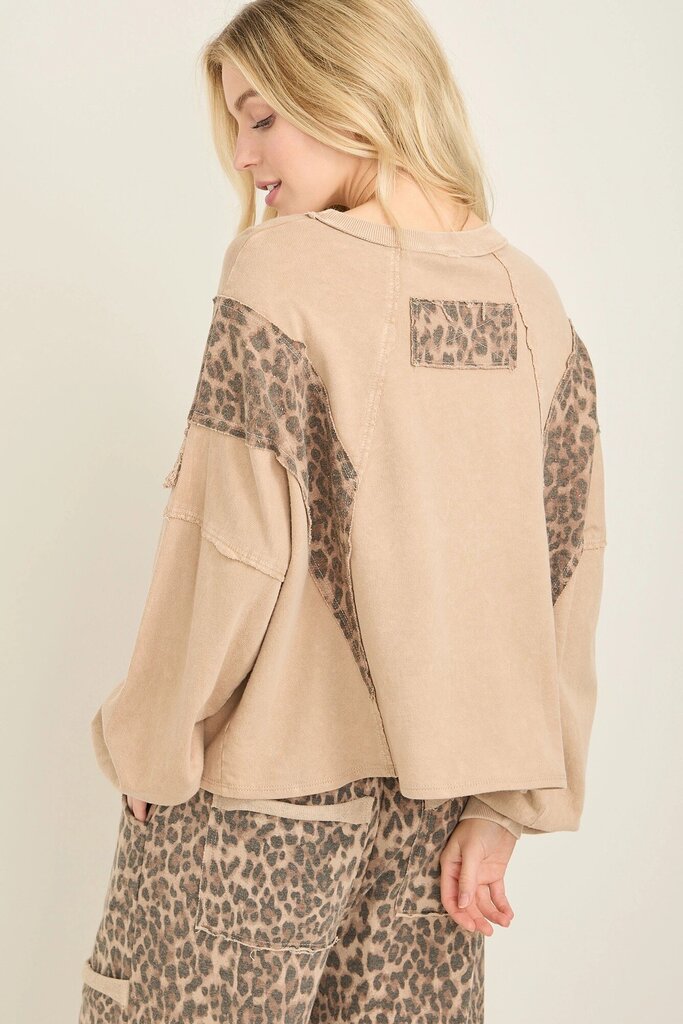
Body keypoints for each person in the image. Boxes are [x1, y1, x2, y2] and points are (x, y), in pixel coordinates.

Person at [78, 2, 607, 1022]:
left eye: (261, 116)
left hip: (252, 810)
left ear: (350, 96)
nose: (242, 155)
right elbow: (565, 566)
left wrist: (151, 738)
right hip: (437, 828)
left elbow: (230, 548)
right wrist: (505, 807)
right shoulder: (535, 304)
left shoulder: (281, 272)